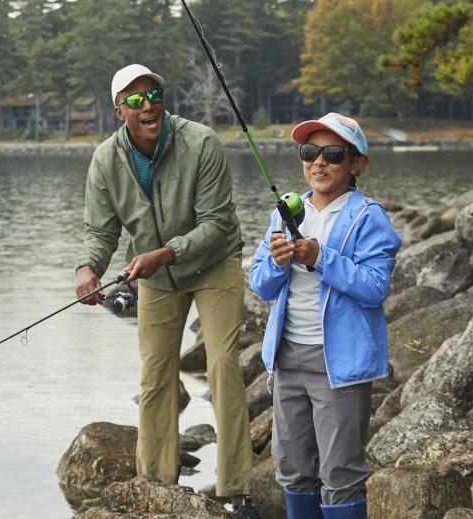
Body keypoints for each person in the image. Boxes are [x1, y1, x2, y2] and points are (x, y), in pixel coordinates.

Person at [73, 64, 258, 517]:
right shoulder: (104, 160)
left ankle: (237, 491)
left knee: (222, 366)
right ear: (120, 111)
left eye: (154, 94)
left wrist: (165, 252)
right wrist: (87, 268)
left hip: (214, 264)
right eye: (135, 100)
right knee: (155, 377)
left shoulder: (201, 142)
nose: (148, 105)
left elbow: (217, 224)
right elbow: (101, 231)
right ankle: (156, 487)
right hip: (156, 278)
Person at [247, 113, 400, 519]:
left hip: (339, 366)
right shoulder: (285, 214)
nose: (319, 162)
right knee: (293, 468)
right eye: (310, 151)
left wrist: (321, 258)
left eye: (333, 154)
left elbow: (374, 287)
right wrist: (278, 264)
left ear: (357, 164)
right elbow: (261, 285)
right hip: (287, 358)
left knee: (340, 472)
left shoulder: (369, 217)